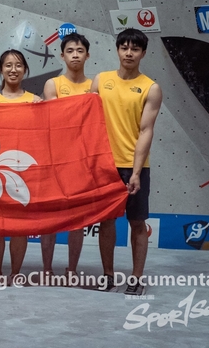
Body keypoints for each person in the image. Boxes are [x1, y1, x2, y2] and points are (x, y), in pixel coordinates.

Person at [90, 28, 162, 295]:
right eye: (124, 47)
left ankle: (136, 278)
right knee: (106, 222)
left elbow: (146, 131)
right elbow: (86, 119)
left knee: (137, 222)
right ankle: (107, 275)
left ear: (143, 53)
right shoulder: (101, 80)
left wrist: (135, 172)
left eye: (135, 49)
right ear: (118, 50)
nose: (129, 53)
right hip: (103, 166)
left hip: (134, 167)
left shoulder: (151, 88)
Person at [0, 49, 41, 283]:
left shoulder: (36, 102)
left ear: (25, 70)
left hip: (23, 172)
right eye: (8, 65)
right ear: (1, 70)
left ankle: (15, 274)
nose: (13, 70)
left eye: (18, 65)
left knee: (19, 227)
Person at [40, 32, 92, 285]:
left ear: (87, 55)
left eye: (80, 51)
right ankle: (47, 269)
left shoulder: (94, 86)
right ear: (62, 56)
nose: (75, 55)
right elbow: (56, 118)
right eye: (70, 51)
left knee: (77, 220)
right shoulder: (53, 84)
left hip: (82, 161)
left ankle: (71, 269)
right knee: (49, 219)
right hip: (54, 160)